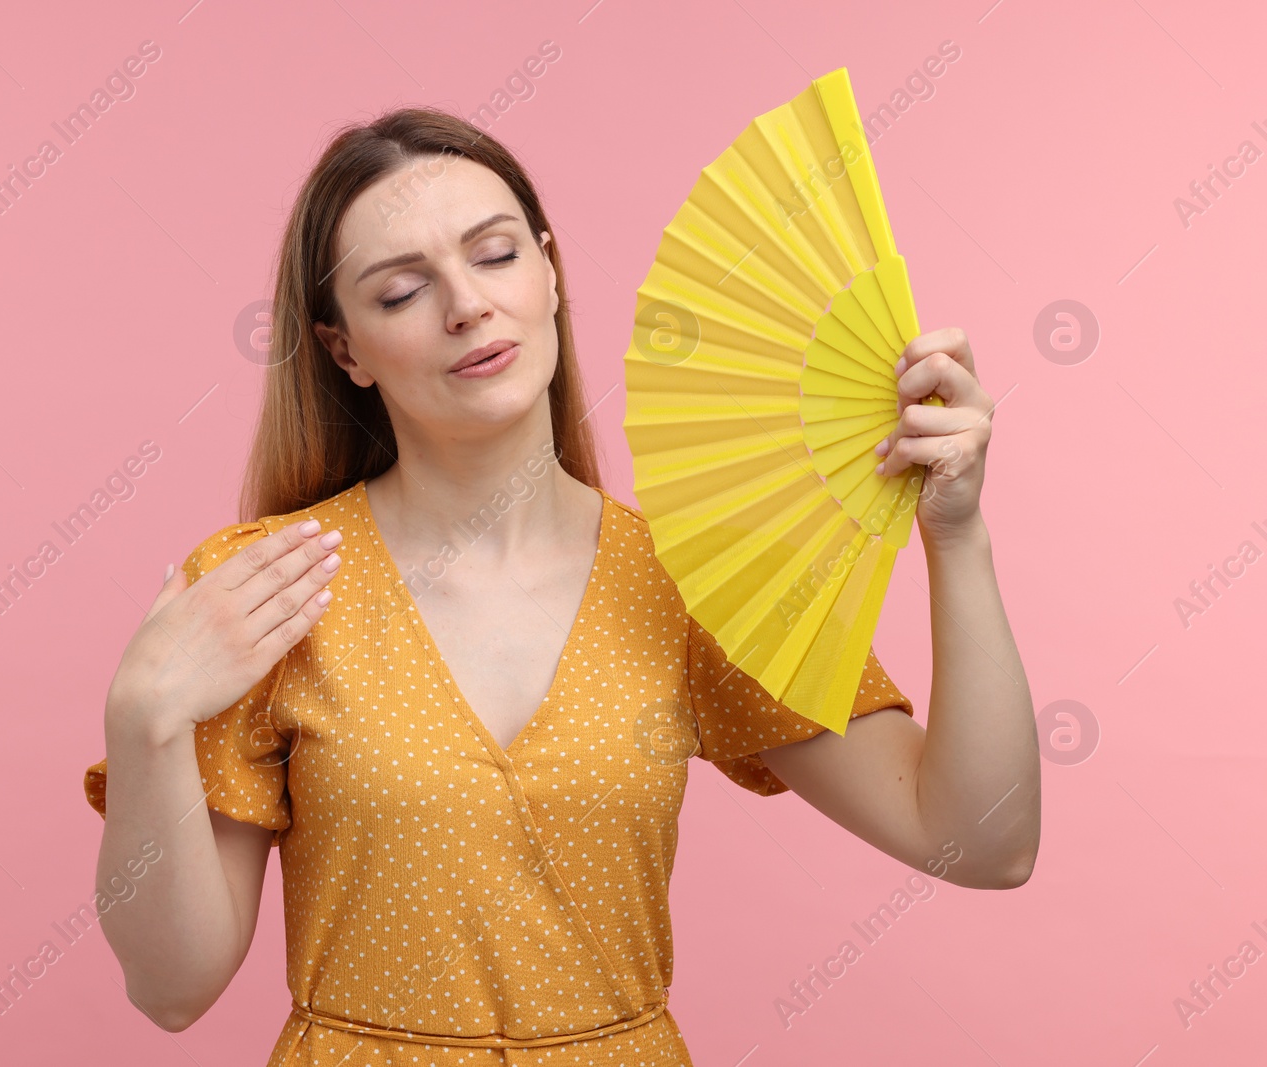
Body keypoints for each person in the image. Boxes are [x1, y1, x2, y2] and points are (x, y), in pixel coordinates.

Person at [82, 106, 1039, 1064]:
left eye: (494, 256)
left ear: (550, 274)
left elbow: (983, 841)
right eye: (402, 289)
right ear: (346, 352)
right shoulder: (267, 588)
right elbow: (173, 988)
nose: (465, 305)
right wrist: (144, 718)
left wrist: (956, 539)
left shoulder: (690, 580)